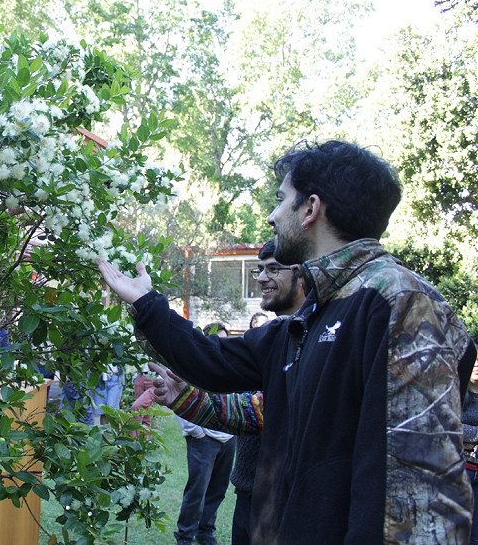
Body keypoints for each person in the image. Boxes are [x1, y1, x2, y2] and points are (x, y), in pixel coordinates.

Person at [97, 140, 478, 543]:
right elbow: (213, 361)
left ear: (310, 209)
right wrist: (146, 303)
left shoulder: (398, 303)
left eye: (281, 200)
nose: (271, 215)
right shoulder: (309, 315)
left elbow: (414, 495)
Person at [167, 240, 307, 545]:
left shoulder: (312, 337)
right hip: (248, 489)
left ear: (301, 273)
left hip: (285, 497)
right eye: (260, 269)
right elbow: (210, 359)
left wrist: (186, 398)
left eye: (273, 269)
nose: (261, 278)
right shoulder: (270, 337)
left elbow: (258, 410)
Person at [173, 322, 234, 545]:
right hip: (203, 439)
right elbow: (180, 397)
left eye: (225, 340)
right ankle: (185, 535)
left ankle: (205, 531)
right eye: (217, 339)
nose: (221, 344)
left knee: (218, 489)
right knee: (197, 490)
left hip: (229, 437)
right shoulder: (196, 365)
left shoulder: (231, 366)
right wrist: (195, 431)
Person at [463, 360, 478, 545]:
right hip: (459, 470)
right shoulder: (457, 394)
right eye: (474, 361)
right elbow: (452, 428)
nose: (477, 366)